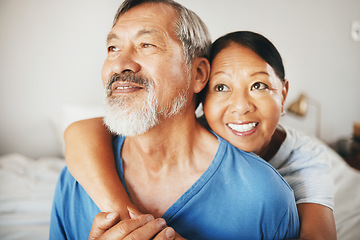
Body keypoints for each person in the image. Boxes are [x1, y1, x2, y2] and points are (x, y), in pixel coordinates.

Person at [49, 0, 300, 239]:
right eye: (113, 48)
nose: (119, 64)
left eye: (146, 45)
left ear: (198, 74)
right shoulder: (75, 181)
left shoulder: (265, 196)